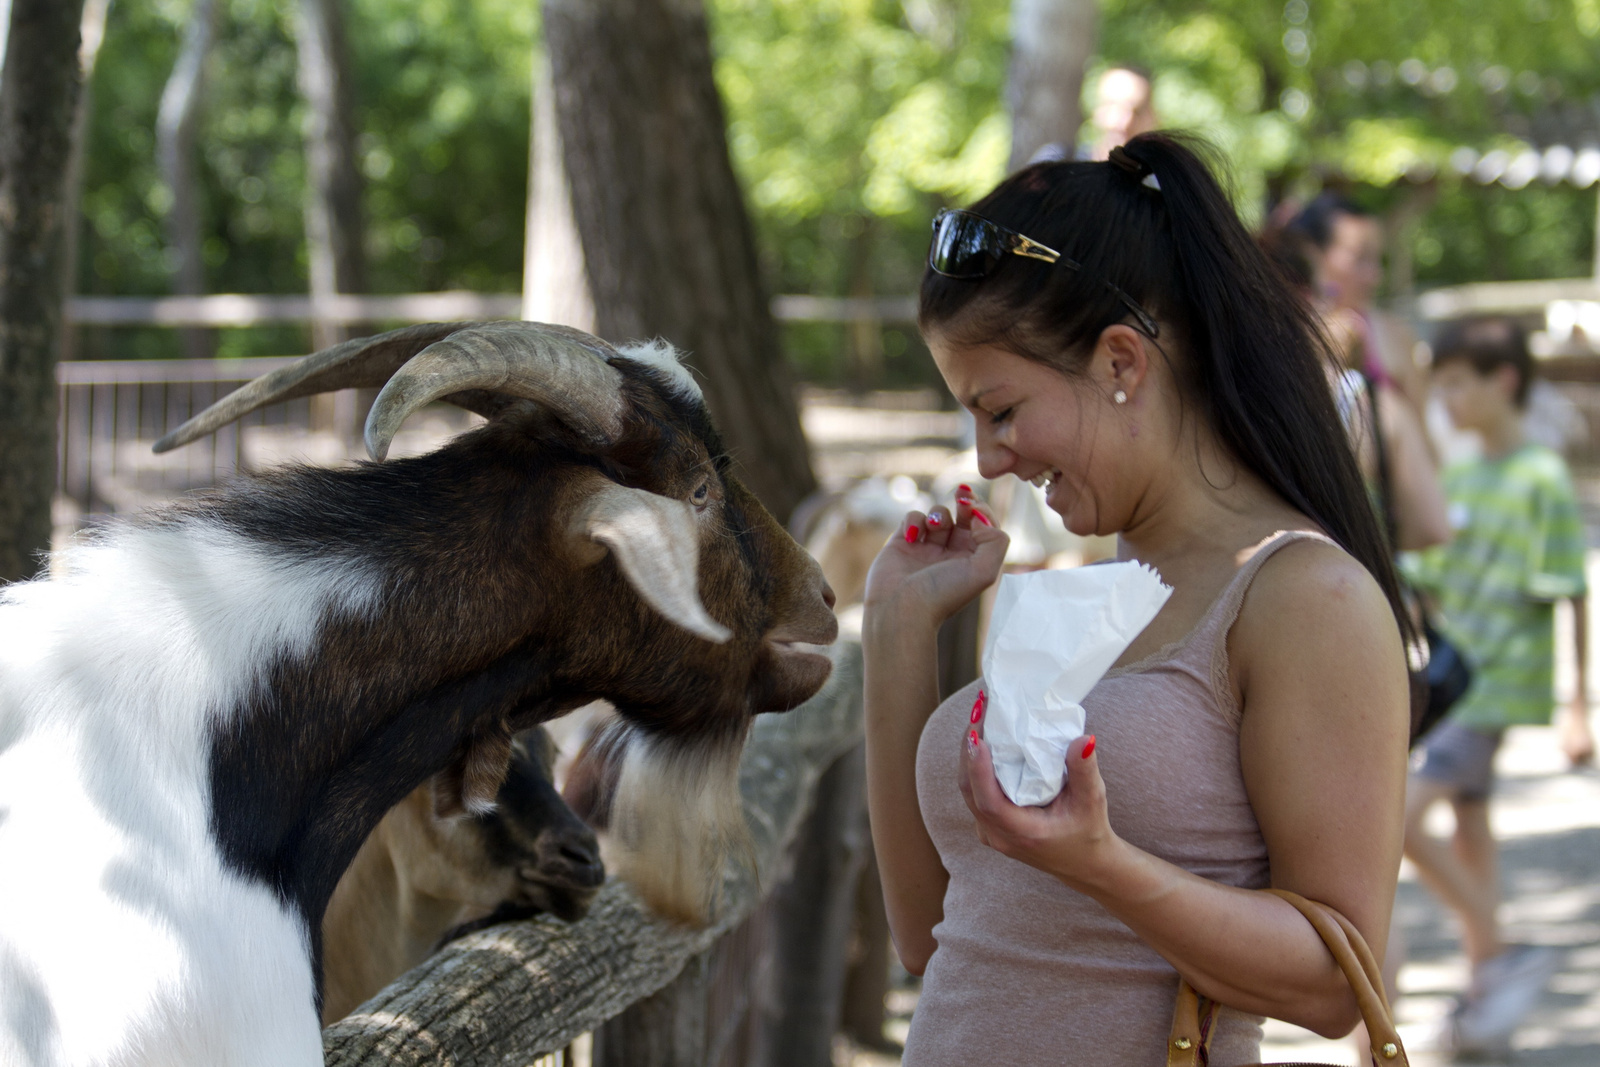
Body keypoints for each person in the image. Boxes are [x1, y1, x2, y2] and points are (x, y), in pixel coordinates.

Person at [864, 133, 1413, 1066]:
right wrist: (898, 625)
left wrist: (1100, 863)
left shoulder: (1304, 595)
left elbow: (1334, 982)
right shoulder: (1091, 598)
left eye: (999, 410)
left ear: (1121, 361)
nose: (990, 457)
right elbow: (927, 934)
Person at [1401, 315, 1593, 1056]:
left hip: (1493, 690)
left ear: (1501, 381)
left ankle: (1501, 952)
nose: (1444, 399)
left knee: (1403, 817)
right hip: (1455, 686)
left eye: (1455, 383)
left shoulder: (1540, 476)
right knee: (1472, 828)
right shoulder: (1459, 475)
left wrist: (1577, 706)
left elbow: (1571, 589)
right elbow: (1428, 578)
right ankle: (1488, 977)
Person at [1288, 194, 1429, 413]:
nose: (1375, 275)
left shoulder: (1394, 335)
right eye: (1360, 258)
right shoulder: (1284, 333)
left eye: (1377, 259)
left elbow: (1422, 435)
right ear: (1312, 254)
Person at [1027, 65, 1158, 166]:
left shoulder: (1160, 187)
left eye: (1137, 111)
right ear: (1097, 110)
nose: (1124, 122)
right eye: (1113, 106)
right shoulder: (1056, 162)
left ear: (1152, 118)